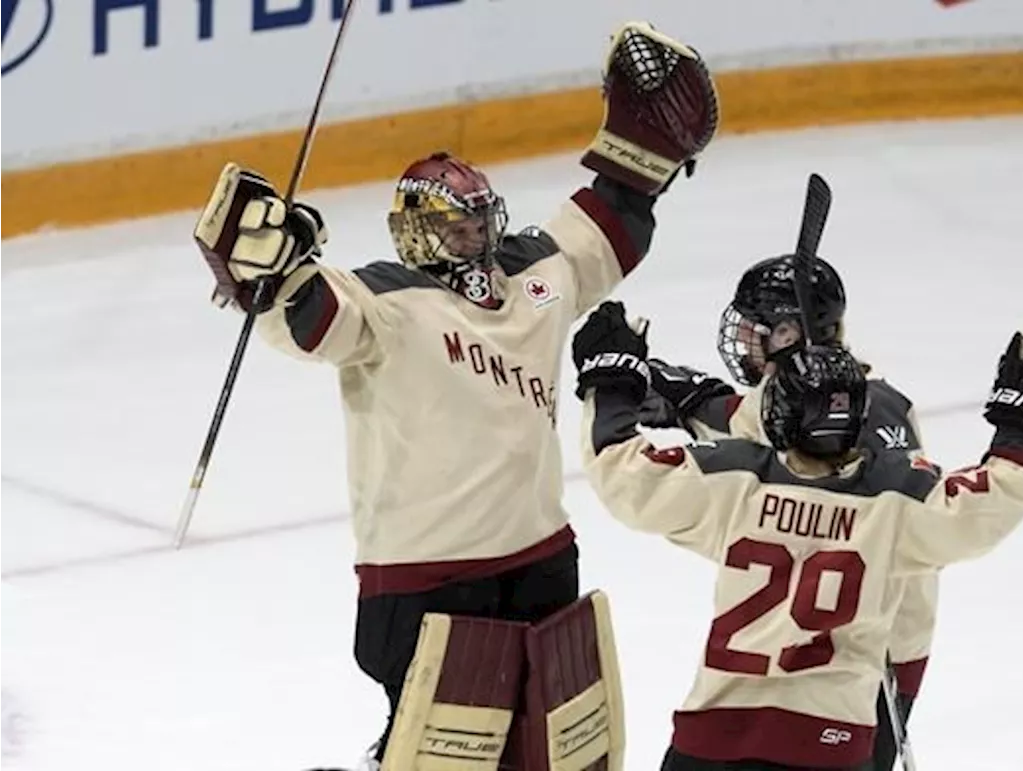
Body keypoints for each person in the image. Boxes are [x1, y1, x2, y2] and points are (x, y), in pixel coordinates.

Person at [190, 21, 720, 770]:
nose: (474, 236)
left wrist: (647, 151)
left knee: (546, 754)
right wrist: (270, 273)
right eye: (456, 225)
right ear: (414, 230)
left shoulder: (538, 274)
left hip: (540, 559)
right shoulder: (382, 301)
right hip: (424, 579)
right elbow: (311, 317)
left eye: (480, 221)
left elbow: (615, 217)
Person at [572, 299, 1023, 771]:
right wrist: (1021, 424)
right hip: (829, 749)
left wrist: (611, 384)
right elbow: (994, 498)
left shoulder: (734, 483)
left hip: (709, 745)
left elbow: (623, 474)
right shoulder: (895, 504)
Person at [640, 253, 934, 770]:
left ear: (788, 332)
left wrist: (671, 399)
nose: (745, 340)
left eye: (757, 329)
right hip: (875, 643)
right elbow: (747, 422)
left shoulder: (836, 422)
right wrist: (686, 399)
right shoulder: (860, 398)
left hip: (855, 664)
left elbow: (748, 440)